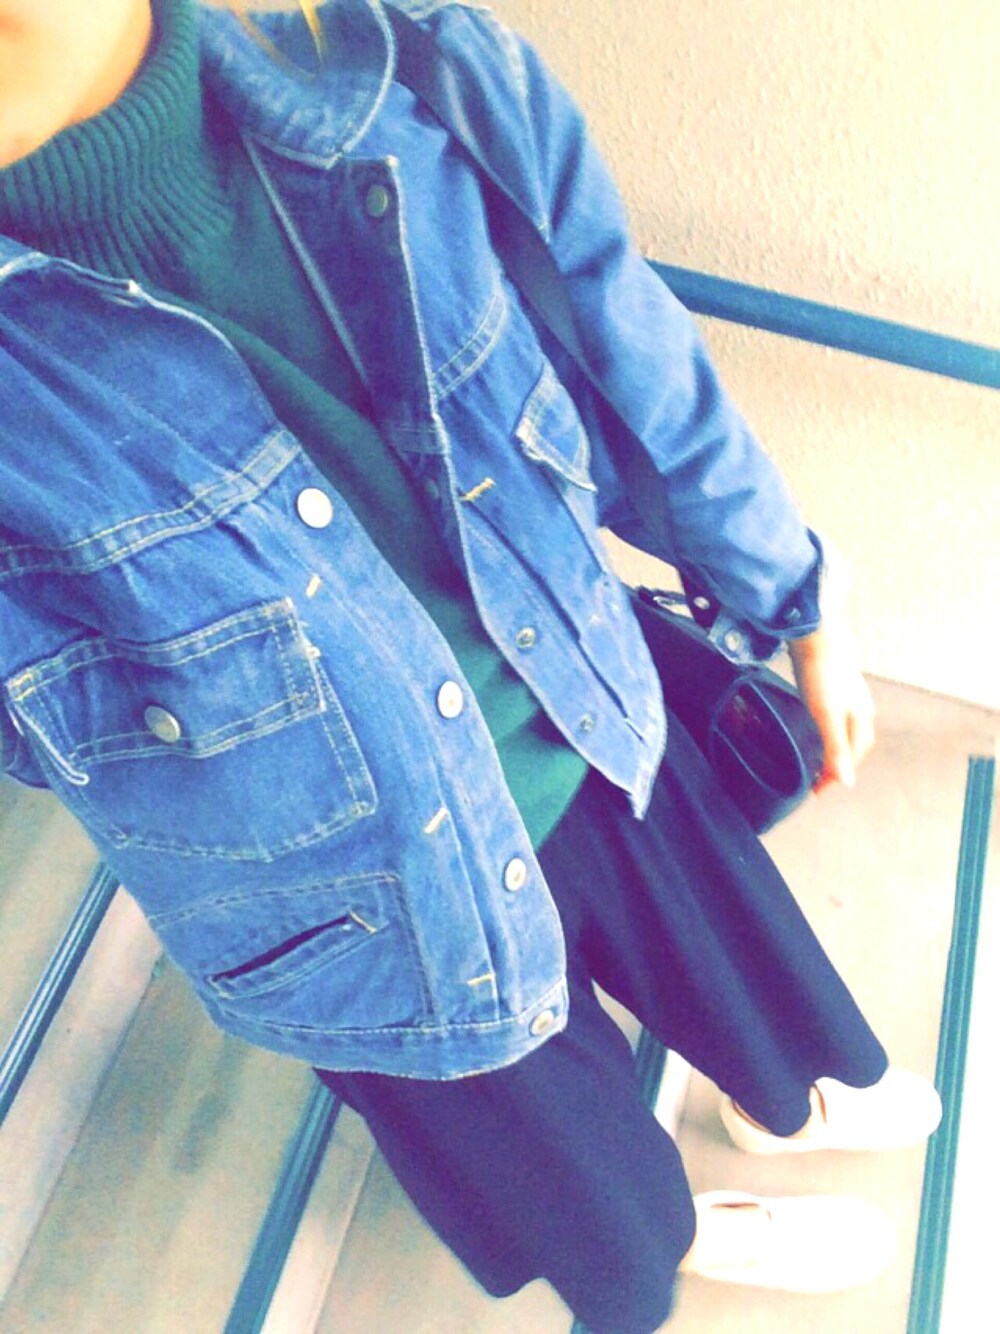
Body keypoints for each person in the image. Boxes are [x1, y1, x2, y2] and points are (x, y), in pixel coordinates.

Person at [0, 2, 941, 1329]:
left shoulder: (407, 65)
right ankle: (673, 1238)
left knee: (736, 964)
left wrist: (796, 596)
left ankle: (787, 1100)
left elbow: (629, 347)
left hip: (580, 717)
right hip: (359, 908)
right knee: (582, 1186)